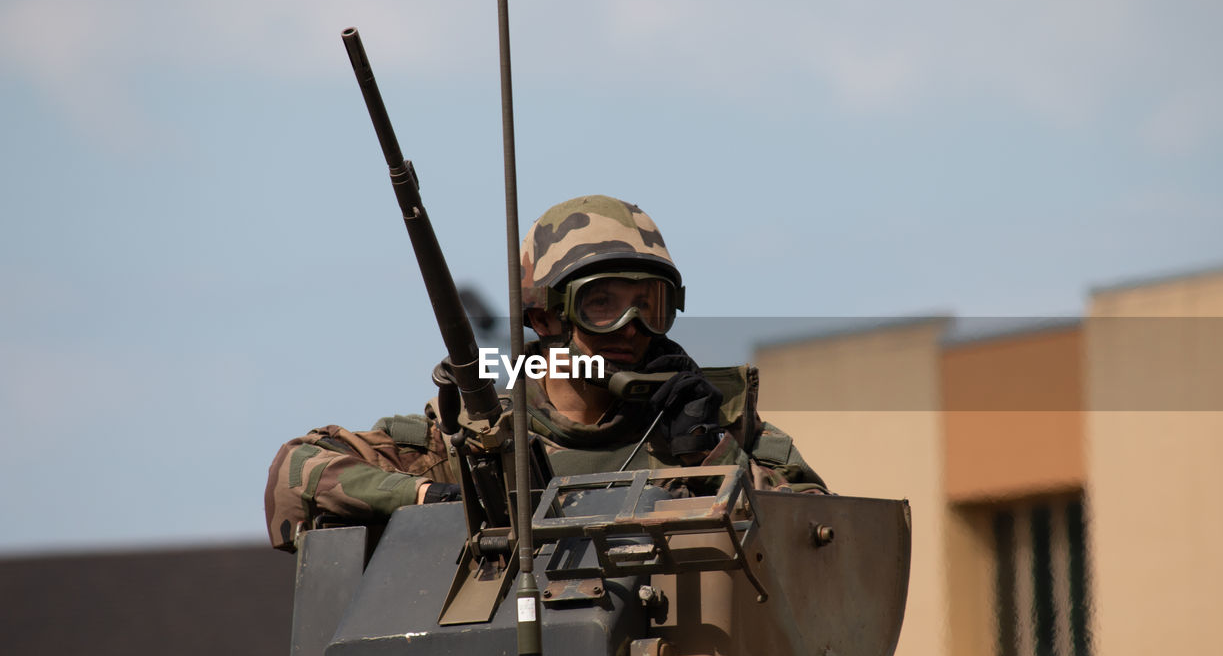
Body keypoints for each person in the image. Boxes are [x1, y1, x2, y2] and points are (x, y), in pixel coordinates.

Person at [264, 195, 825, 552]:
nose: (632, 326)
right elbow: (296, 471)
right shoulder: (472, 436)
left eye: (649, 303)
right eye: (602, 303)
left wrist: (710, 453)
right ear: (544, 317)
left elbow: (819, 536)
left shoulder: (710, 426)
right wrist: (433, 500)